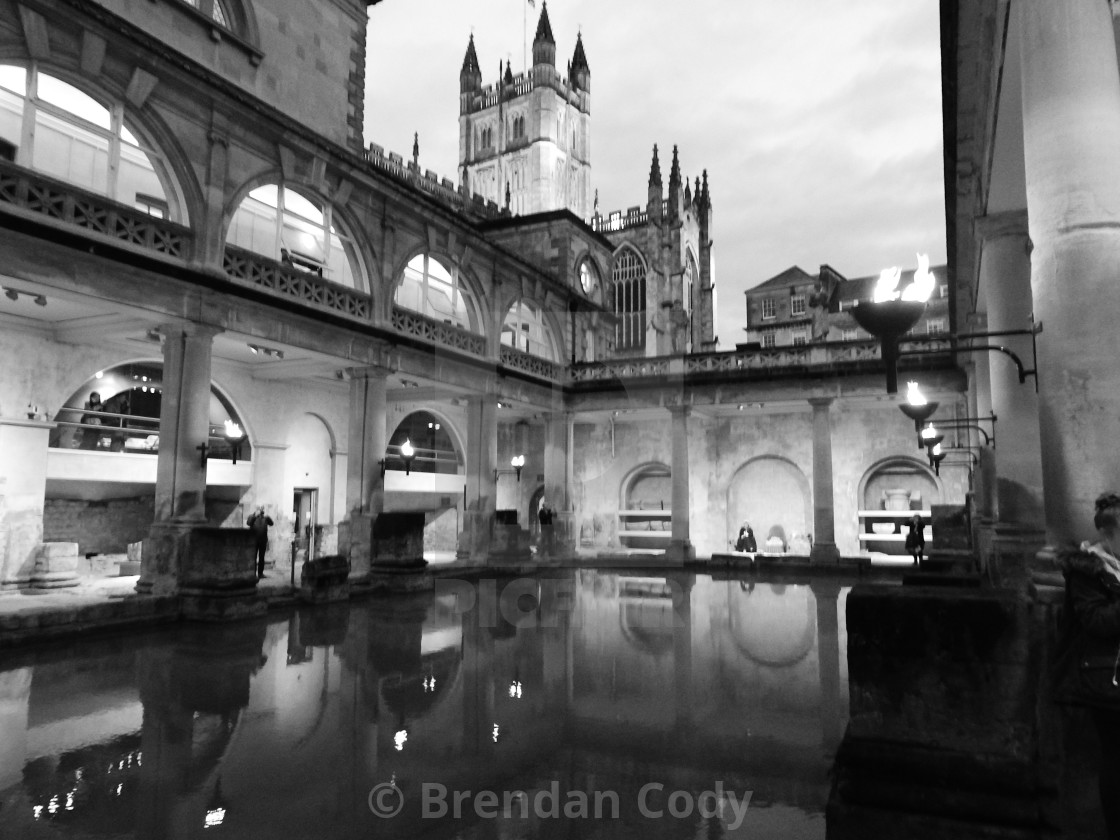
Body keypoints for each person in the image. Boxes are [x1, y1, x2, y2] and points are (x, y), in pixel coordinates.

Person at [1054, 492, 1120, 839]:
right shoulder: (1087, 569)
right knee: (1115, 757)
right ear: (1108, 534)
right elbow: (1096, 621)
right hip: (1105, 676)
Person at [247, 506, 274, 579]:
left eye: (261, 509)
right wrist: (254, 516)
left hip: (263, 541)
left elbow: (271, 523)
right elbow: (249, 523)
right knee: (253, 557)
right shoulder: (251, 516)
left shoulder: (265, 518)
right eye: (259, 509)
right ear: (256, 510)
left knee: (262, 558)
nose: (260, 511)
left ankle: (260, 573)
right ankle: (252, 573)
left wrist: (268, 516)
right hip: (254, 541)